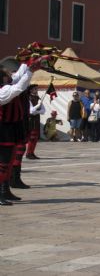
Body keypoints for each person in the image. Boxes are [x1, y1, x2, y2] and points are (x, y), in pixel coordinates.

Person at [0, 58, 45, 205]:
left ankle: (5, 190)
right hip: (4, 129)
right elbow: (19, 87)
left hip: (12, 127)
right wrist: (31, 70)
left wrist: (29, 62)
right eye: (7, 74)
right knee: (3, 163)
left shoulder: (7, 86)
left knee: (10, 159)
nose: (10, 76)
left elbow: (18, 77)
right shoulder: (3, 91)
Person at [26, 85, 45, 159]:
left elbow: (43, 111)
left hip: (36, 119)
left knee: (36, 137)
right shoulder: (28, 98)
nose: (37, 90)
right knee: (31, 137)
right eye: (35, 89)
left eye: (37, 89)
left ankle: (32, 152)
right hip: (31, 120)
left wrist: (38, 110)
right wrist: (38, 106)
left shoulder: (38, 98)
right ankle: (28, 153)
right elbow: (31, 111)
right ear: (31, 90)